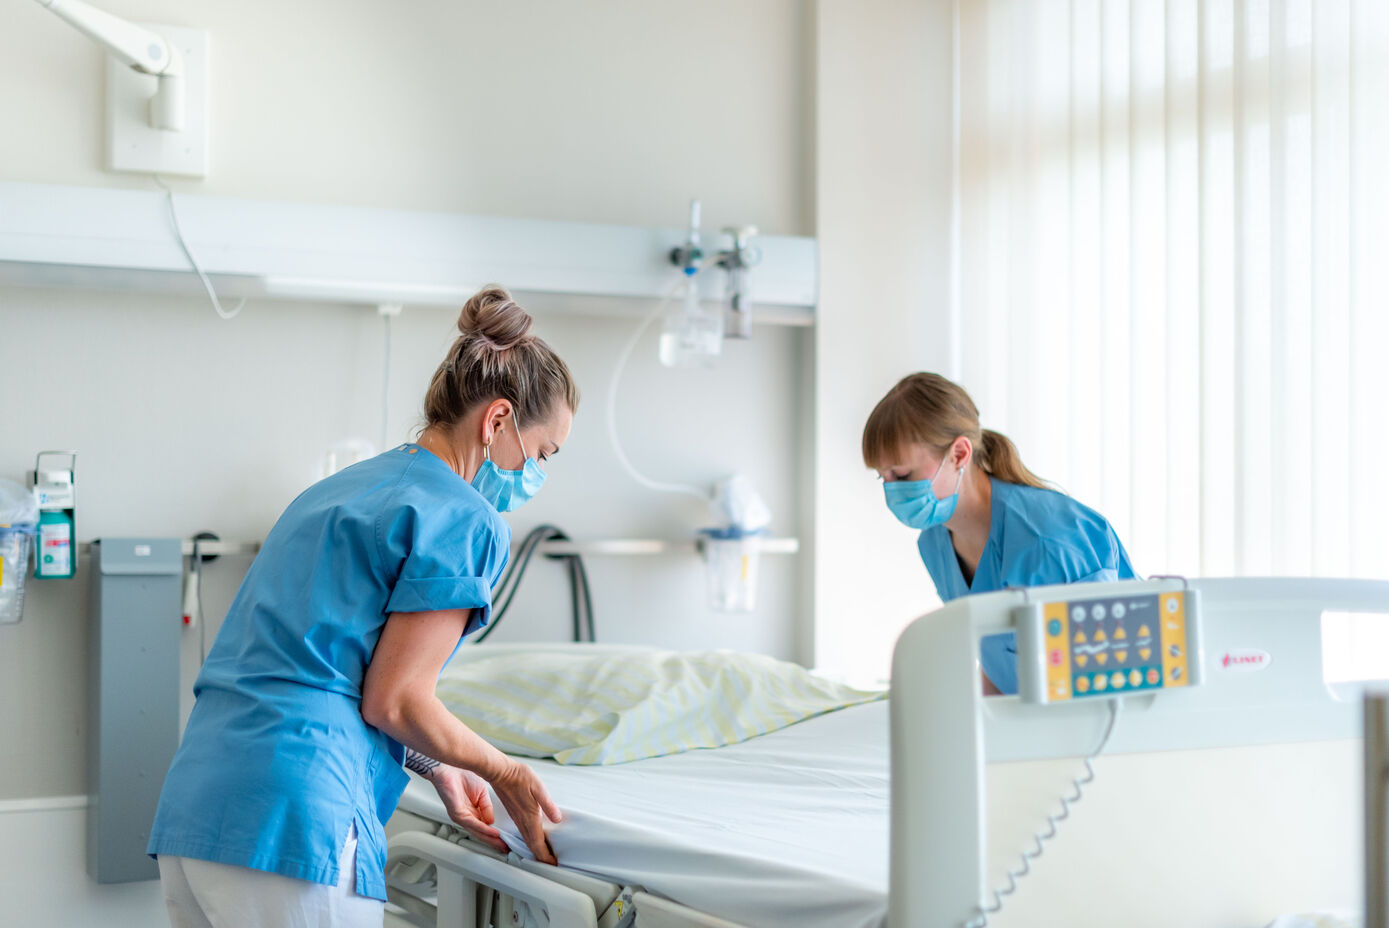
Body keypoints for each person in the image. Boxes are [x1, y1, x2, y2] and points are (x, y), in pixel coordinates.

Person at [148, 286, 577, 927]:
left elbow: (321, 659)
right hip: (295, 825)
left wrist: (438, 766)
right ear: (496, 421)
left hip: (199, 808)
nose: (534, 473)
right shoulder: (464, 518)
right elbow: (396, 700)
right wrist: (504, 772)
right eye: (541, 454)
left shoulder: (334, 491)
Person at [862, 372, 1137, 695]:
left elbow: (1107, 679)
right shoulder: (935, 543)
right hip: (1030, 723)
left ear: (960, 454)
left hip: (1109, 723)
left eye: (903, 474)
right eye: (884, 479)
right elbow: (998, 657)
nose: (893, 491)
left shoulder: (1048, 540)